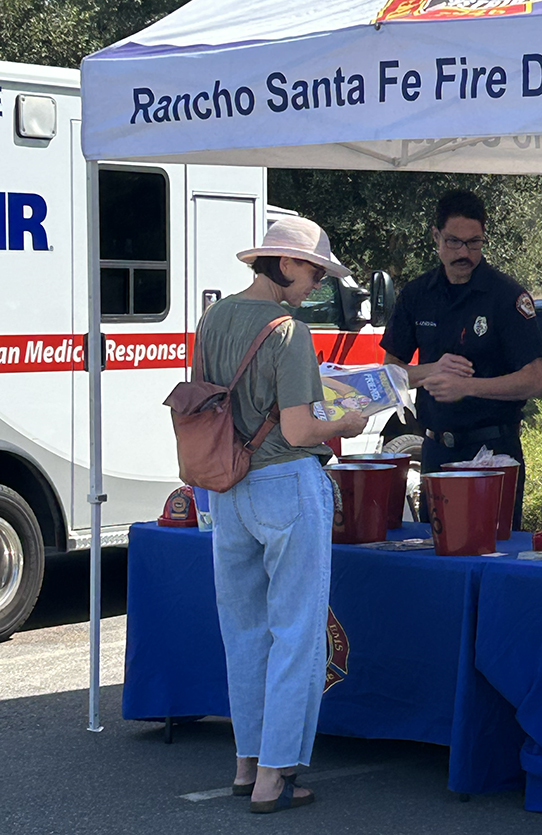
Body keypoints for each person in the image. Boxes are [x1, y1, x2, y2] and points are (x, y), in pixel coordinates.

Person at [201, 215, 369, 813]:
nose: (316, 284)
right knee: (297, 633)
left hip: (226, 485)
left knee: (242, 630)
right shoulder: (289, 330)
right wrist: (348, 422)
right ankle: (276, 778)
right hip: (286, 485)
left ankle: (248, 763)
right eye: (314, 271)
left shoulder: (214, 317)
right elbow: (300, 429)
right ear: (288, 263)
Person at [381, 190, 542, 529]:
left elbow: (535, 379)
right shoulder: (416, 295)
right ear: (436, 237)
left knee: (492, 552)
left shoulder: (506, 296)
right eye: (454, 242)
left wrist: (467, 387)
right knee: (436, 554)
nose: (464, 253)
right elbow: (389, 373)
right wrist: (431, 372)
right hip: (436, 448)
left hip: (493, 449)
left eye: (474, 243)